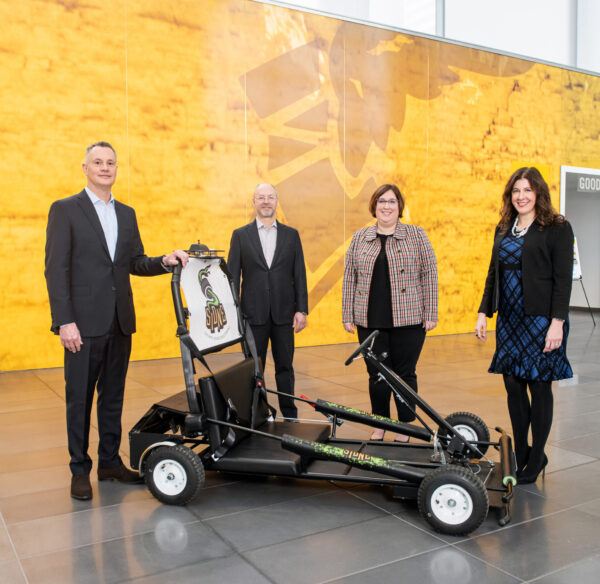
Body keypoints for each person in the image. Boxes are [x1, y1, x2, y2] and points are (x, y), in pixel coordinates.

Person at [45, 141, 189, 500]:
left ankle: (109, 462)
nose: (105, 168)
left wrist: (164, 261)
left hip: (119, 321)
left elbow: (134, 262)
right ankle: (80, 469)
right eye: (98, 162)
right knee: (79, 400)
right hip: (82, 325)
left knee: (112, 397)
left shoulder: (127, 213)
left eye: (110, 162)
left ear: (116, 169)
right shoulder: (65, 209)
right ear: (85, 168)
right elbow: (56, 270)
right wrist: (64, 321)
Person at [475, 167, 574, 484]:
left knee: (539, 386)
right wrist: (483, 312)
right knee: (513, 386)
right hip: (510, 320)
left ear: (538, 193)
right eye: (516, 190)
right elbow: (494, 272)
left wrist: (557, 323)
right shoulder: (504, 227)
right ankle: (521, 451)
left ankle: (538, 455)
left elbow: (563, 280)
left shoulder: (557, 227)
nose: (521, 196)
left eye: (527, 190)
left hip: (542, 319)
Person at [342, 184, 438, 441]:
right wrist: (347, 314)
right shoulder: (360, 237)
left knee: (405, 374)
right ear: (374, 206)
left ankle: (405, 427)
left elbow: (429, 273)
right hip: (370, 319)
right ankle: (380, 423)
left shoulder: (417, 235)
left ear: (400, 206)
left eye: (392, 201)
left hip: (409, 319)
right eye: (381, 201)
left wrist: (431, 312)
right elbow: (349, 277)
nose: (386, 206)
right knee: (376, 375)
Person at [227, 183, 308, 420]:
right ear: (254, 202)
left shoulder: (291, 235)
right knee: (253, 369)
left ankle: (290, 415)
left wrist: (302, 310)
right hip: (252, 315)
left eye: (270, 197)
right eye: (261, 197)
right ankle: (256, 415)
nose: (266, 201)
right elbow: (233, 277)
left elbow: (299, 274)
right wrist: (234, 313)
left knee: (285, 368)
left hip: (285, 314)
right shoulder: (240, 235)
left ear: (276, 201)